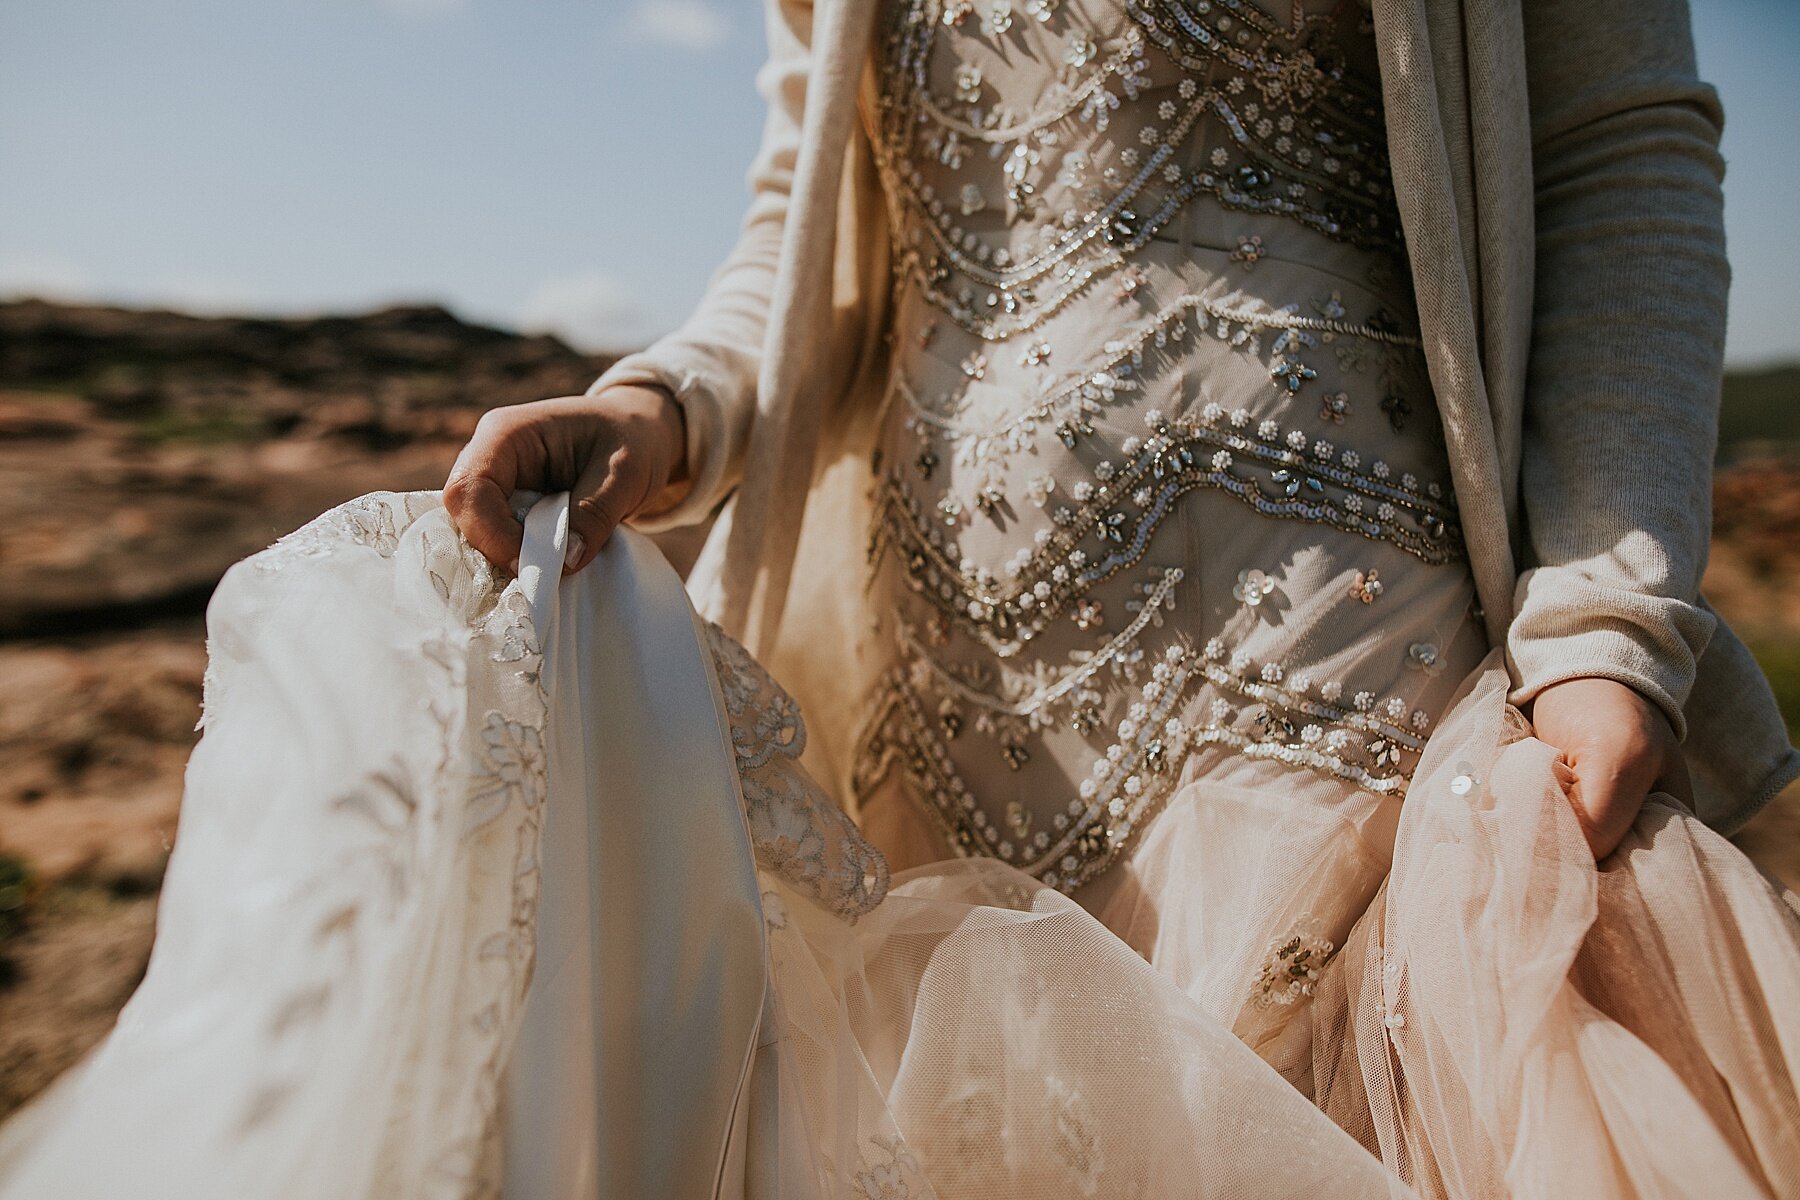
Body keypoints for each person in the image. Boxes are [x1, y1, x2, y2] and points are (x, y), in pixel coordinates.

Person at [2, 1, 1797, 1196]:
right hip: (939, 704)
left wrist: (1604, 618)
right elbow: (809, 207)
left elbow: (1621, 145)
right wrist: (659, 408)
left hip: (1350, 659)